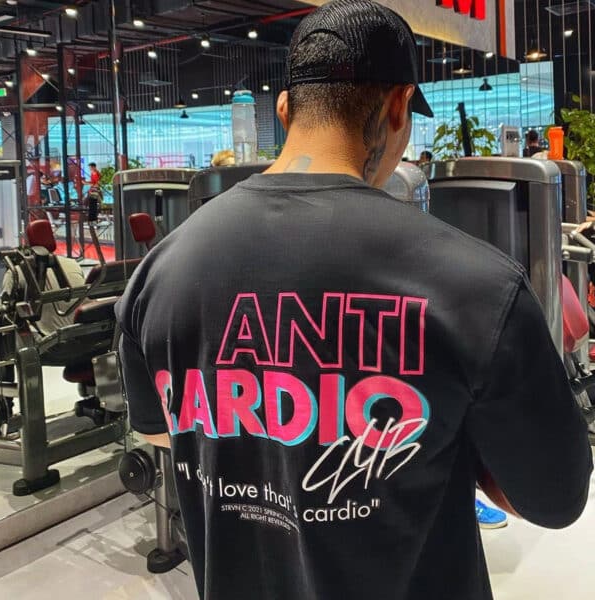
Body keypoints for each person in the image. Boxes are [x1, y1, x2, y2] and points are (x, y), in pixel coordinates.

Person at [116, 2, 592, 599]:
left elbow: (164, 434)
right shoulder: (478, 287)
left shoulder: (158, 273)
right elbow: (553, 499)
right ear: (397, 108)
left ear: (285, 110)